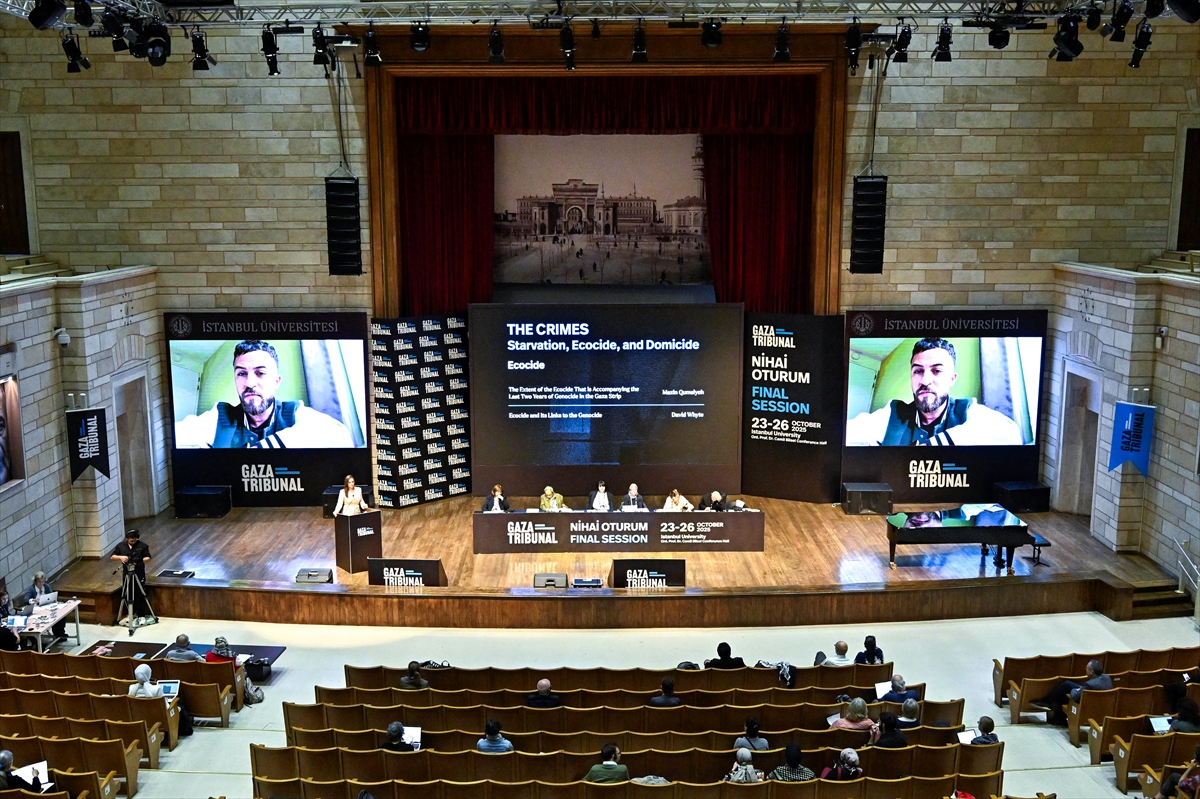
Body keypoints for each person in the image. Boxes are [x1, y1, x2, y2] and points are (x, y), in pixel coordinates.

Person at [174, 339, 355, 449]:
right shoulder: (221, 416)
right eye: (242, 374)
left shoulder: (292, 412)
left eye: (260, 373)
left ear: (276, 381)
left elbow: (341, 436)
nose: (249, 383)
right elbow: (172, 438)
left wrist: (264, 448)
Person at [845, 337, 1025, 446]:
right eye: (918, 371)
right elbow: (846, 434)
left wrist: (933, 445)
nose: (925, 381)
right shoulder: (893, 413)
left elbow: (1011, 434)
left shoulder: (966, 410)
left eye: (937, 371)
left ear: (952, 379)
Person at [1032, 659, 1112, 726]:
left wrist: (1075, 690)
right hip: (1100, 706)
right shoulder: (1107, 678)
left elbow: (1074, 696)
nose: (1085, 669)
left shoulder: (1089, 685)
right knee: (1067, 684)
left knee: (1066, 691)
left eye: (1086, 668)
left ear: (1091, 672)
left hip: (1086, 707)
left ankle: (1049, 703)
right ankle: (1053, 711)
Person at [109, 528, 154, 623]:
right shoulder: (121, 546)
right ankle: (130, 613)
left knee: (139, 592)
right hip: (127, 573)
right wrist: (121, 557)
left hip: (139, 572)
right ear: (127, 539)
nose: (132, 542)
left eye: (134, 540)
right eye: (130, 540)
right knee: (127, 592)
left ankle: (140, 614)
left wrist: (139, 560)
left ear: (137, 538)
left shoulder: (143, 545)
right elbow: (112, 556)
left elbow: (148, 557)